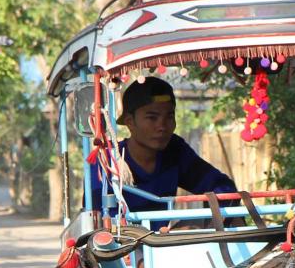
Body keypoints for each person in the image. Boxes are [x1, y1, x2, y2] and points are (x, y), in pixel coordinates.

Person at [89, 76, 237, 218]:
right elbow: (97, 221)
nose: (162, 126)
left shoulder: (175, 151)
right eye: (152, 118)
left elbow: (223, 187)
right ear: (130, 122)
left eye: (169, 117)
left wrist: (207, 223)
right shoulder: (105, 162)